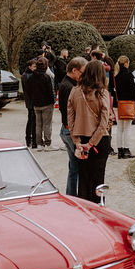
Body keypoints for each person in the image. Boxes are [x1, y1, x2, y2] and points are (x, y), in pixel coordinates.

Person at [67, 59, 113, 203]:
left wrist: (78, 143)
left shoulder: (74, 91)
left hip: (81, 138)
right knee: (98, 179)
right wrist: (92, 143)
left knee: (84, 178)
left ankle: (85, 208)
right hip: (99, 141)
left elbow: (70, 120)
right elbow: (104, 121)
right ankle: (99, 208)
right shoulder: (102, 93)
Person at [58, 56, 87, 195]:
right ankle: (75, 196)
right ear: (74, 70)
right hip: (70, 131)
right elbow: (71, 112)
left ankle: (71, 195)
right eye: (82, 72)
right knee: (78, 167)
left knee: (73, 166)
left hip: (66, 130)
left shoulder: (66, 83)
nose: (83, 76)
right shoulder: (69, 87)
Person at [26, 55, 55, 150]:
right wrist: (52, 101)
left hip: (36, 104)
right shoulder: (46, 77)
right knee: (47, 124)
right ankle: (48, 143)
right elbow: (50, 91)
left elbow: (28, 91)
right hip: (47, 104)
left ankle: (39, 144)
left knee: (38, 125)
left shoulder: (31, 77)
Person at [112, 55, 135, 159]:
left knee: (119, 128)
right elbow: (134, 91)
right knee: (127, 128)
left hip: (117, 104)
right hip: (127, 104)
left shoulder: (115, 75)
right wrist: (134, 101)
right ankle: (126, 150)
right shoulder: (128, 75)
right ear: (126, 63)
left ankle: (120, 150)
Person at [21, 58, 37, 147]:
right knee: (31, 121)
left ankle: (30, 139)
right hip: (31, 101)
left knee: (31, 120)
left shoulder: (27, 75)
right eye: (34, 66)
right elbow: (30, 90)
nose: (35, 68)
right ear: (29, 67)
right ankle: (30, 140)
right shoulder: (28, 75)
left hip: (30, 101)